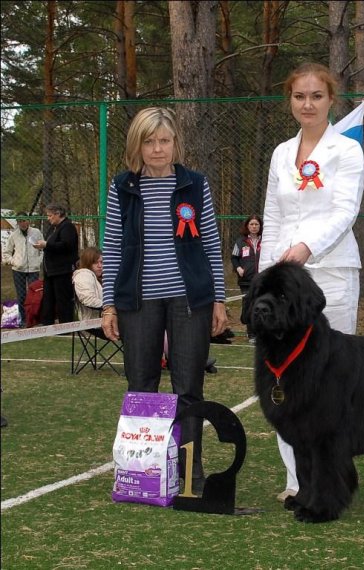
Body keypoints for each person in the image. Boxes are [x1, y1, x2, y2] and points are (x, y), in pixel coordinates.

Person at [101, 106, 227, 496]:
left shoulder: (195, 184)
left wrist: (218, 299)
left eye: (164, 141)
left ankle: (191, 477)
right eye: (149, 141)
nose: (157, 149)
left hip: (190, 301)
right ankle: (145, 474)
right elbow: (112, 245)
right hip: (137, 302)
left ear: (175, 143)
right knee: (141, 385)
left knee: (189, 388)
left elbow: (209, 241)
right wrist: (109, 304)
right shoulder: (121, 186)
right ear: (137, 145)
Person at [258, 62, 364, 502]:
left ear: (330, 100)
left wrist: (306, 248)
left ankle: (332, 477)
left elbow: (345, 211)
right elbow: (271, 214)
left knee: (329, 386)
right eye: (299, 96)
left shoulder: (347, 151)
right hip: (283, 286)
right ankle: (297, 481)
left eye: (316, 96)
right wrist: (265, 282)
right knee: (282, 383)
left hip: (332, 274)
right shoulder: (281, 153)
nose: (307, 104)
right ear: (290, 100)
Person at [33, 204, 79, 325]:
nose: (48, 218)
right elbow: (53, 246)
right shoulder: (55, 228)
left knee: (63, 299)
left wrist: (46, 245)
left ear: (58, 214)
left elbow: (66, 245)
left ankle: (66, 325)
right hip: (51, 271)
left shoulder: (68, 227)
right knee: (48, 299)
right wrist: (43, 246)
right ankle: (47, 324)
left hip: (62, 270)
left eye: (50, 215)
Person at [2, 212, 44, 327]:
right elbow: (7, 253)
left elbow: (42, 248)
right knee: (21, 295)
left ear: (28, 220)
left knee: (34, 295)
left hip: (33, 269)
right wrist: (14, 262)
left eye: (24, 220)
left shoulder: (36, 232)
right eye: (20, 221)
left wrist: (39, 261)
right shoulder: (14, 235)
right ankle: (24, 320)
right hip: (18, 270)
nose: (23, 223)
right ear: (17, 223)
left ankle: (35, 319)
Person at [231, 214, 262, 342]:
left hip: (263, 281)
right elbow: (234, 258)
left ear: (260, 226)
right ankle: (251, 334)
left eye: (256, 224)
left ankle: (262, 333)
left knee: (261, 305)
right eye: (252, 224)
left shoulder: (266, 240)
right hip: (246, 281)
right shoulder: (240, 242)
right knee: (250, 306)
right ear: (247, 226)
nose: (254, 227)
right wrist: (238, 268)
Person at [72, 246, 103, 321]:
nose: (100, 266)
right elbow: (88, 300)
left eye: (102, 262)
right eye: (95, 263)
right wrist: (111, 306)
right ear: (87, 263)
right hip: (94, 322)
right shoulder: (84, 275)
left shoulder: (98, 277)